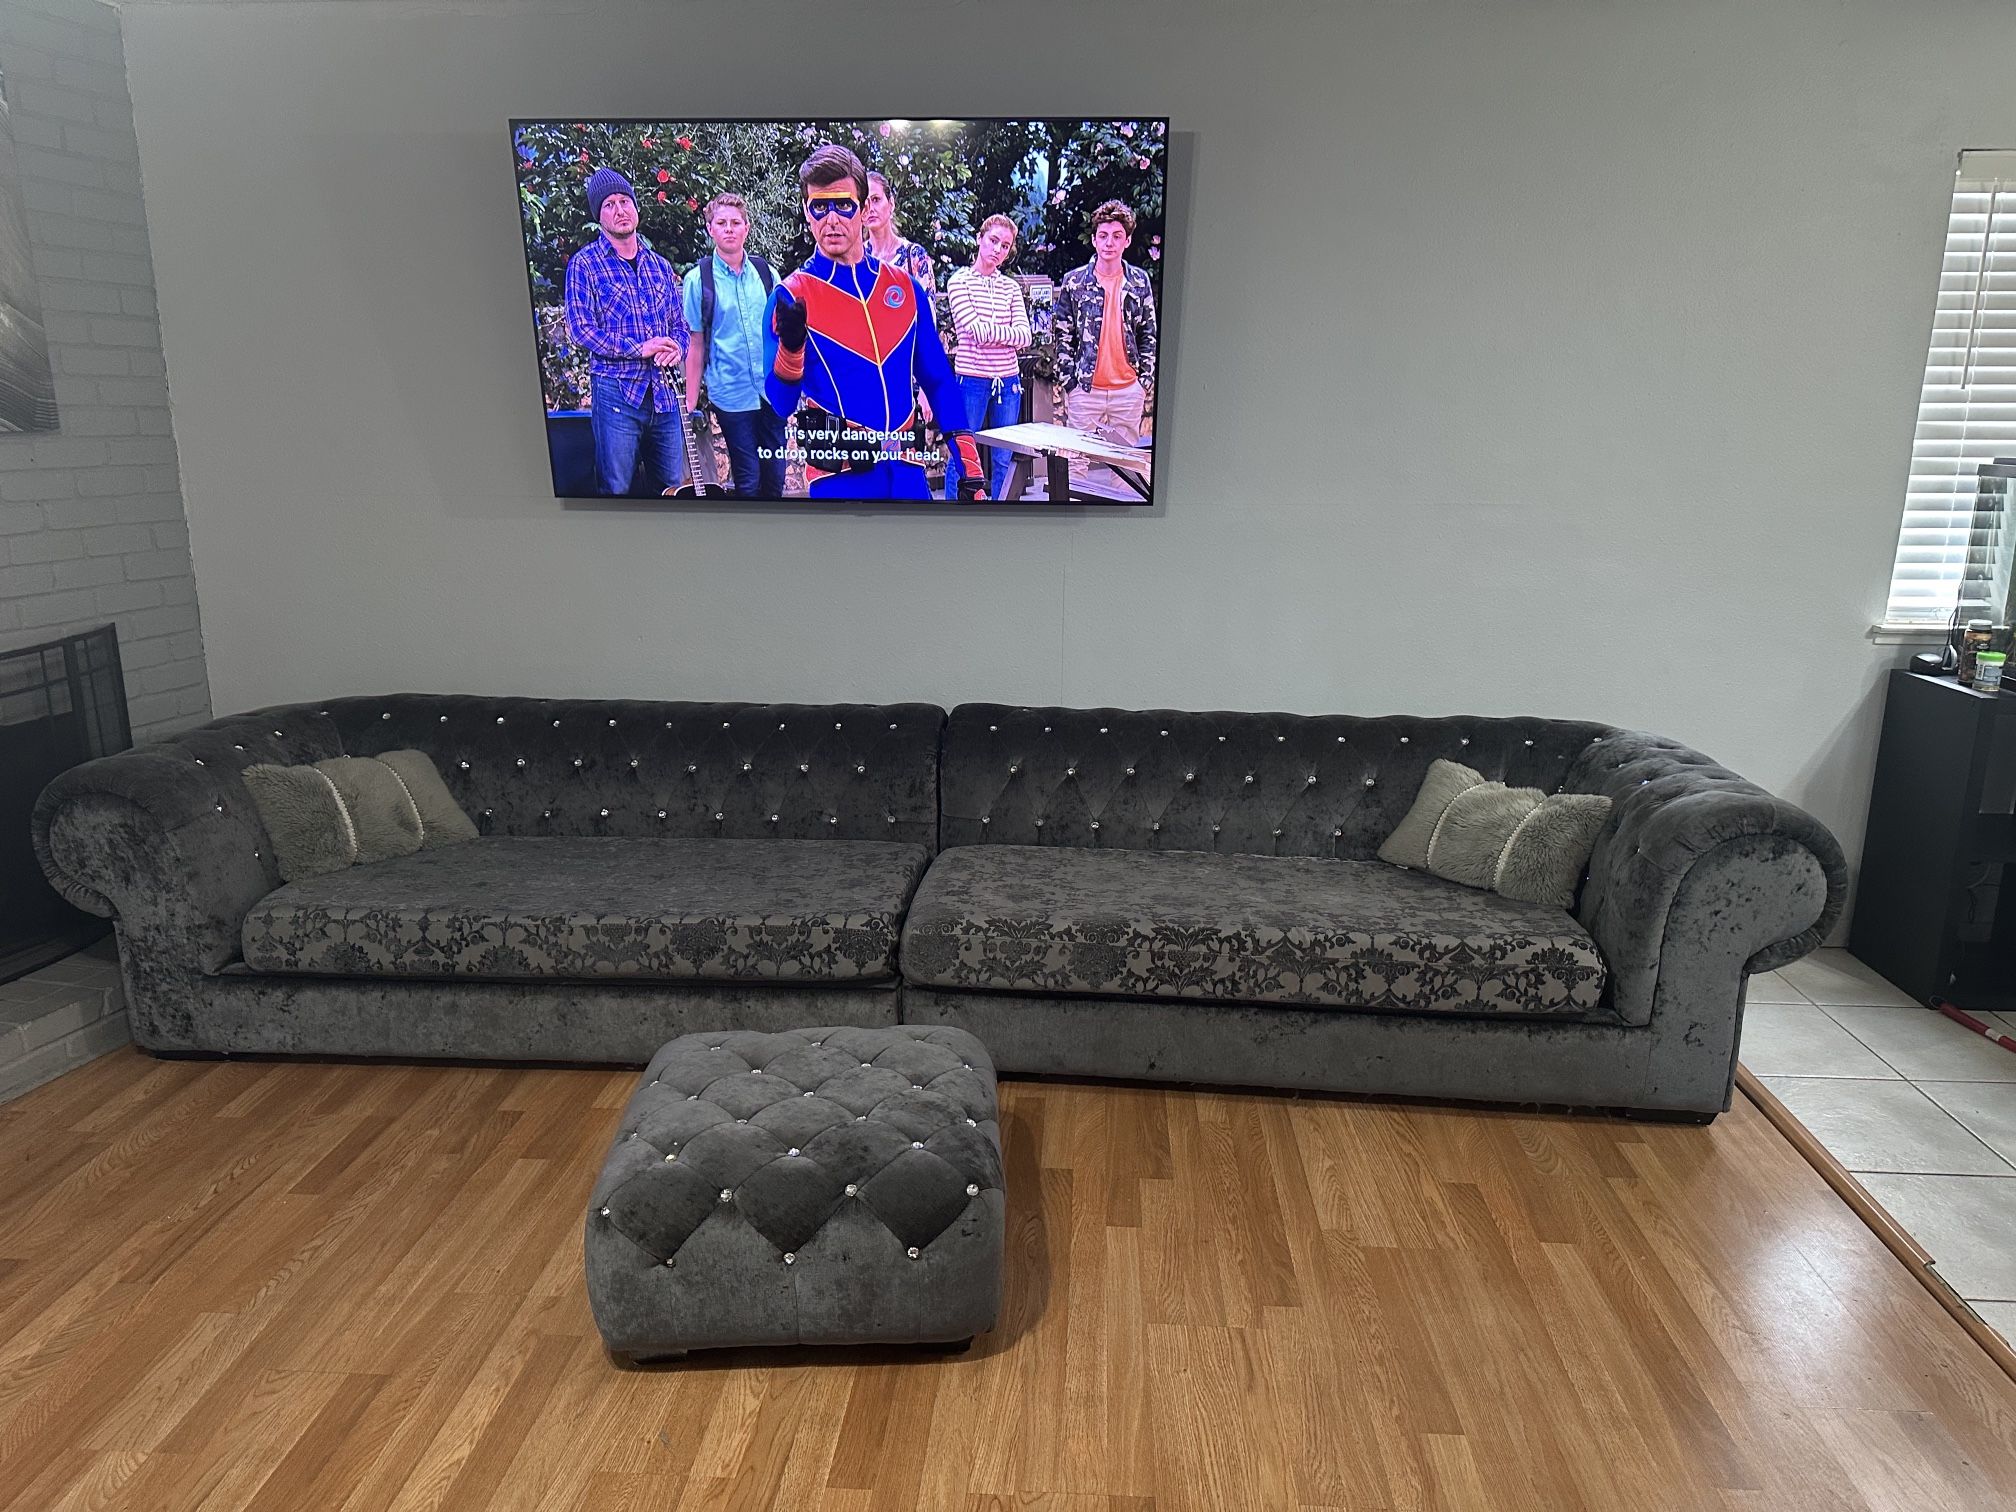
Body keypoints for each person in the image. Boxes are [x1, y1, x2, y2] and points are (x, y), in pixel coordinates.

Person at [762, 143, 984, 501]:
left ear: (863, 209)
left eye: (843, 205)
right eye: (820, 207)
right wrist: (790, 352)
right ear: (807, 212)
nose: (831, 219)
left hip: (908, 475)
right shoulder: (791, 296)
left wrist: (971, 469)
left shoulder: (905, 288)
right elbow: (781, 404)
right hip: (841, 481)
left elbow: (938, 380)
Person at [563, 167, 688, 496]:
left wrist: (678, 347)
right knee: (616, 492)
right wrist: (638, 348)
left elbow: (680, 326)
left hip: (664, 397)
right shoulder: (584, 264)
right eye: (609, 205)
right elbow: (580, 329)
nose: (619, 209)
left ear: (636, 208)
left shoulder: (659, 265)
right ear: (598, 216)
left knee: (674, 492)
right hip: (617, 396)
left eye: (624, 201)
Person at [1051, 198, 1158, 494]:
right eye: (1103, 235)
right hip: (1086, 390)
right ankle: (1071, 526)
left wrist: (1143, 381)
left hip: (1128, 391)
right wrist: (1070, 382)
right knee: (1075, 463)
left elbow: (1149, 332)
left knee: (1124, 466)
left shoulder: (1139, 281)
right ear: (1095, 239)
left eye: (1116, 236)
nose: (1109, 242)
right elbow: (1062, 334)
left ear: (1127, 240)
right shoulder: (1075, 282)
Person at [681, 193, 784, 498]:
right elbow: (696, 344)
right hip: (730, 395)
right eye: (721, 223)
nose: (729, 229)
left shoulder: (766, 274)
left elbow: (782, 335)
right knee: (748, 478)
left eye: (735, 223)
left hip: (771, 392)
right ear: (710, 228)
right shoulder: (698, 281)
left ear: (746, 228)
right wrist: (689, 402)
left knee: (775, 477)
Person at [943, 214, 1031, 499]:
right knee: (962, 454)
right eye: (993, 241)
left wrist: (993, 333)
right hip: (971, 379)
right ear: (980, 238)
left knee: (1003, 458)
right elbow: (973, 330)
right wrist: (1006, 334)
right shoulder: (959, 282)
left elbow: (1025, 336)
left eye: (1005, 246)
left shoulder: (1011, 287)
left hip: (1008, 380)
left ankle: (1001, 521)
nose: (998, 250)